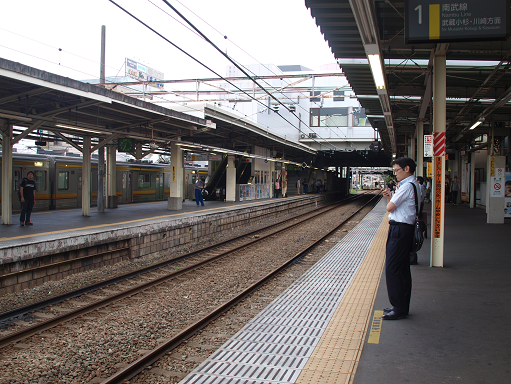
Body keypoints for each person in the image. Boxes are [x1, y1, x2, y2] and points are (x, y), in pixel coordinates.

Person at [381, 157, 419, 320]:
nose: (395, 174)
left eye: (397, 170)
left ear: (407, 169)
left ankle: (398, 307)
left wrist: (389, 200)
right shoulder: (413, 185)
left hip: (400, 230)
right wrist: (390, 196)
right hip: (404, 229)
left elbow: (390, 208)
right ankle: (401, 305)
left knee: (392, 267)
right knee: (402, 268)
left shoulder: (406, 187)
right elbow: (396, 206)